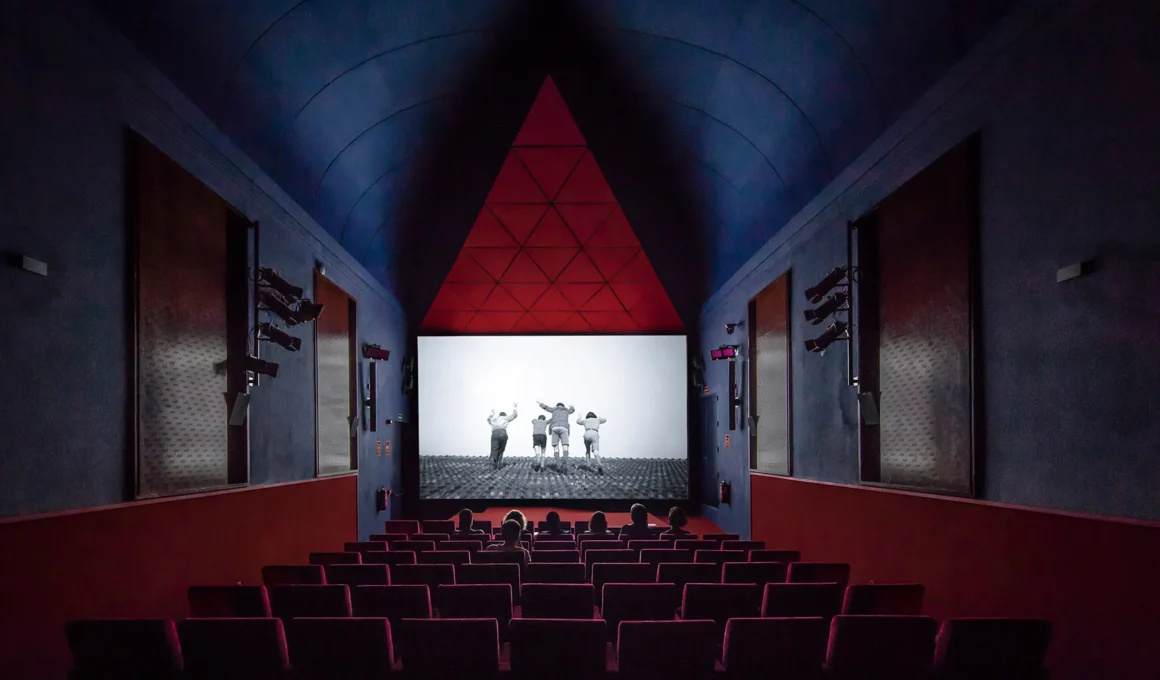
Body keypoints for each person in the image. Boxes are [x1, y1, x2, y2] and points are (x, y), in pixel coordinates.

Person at [538, 401, 575, 471]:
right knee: (565, 445)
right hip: (564, 428)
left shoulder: (554, 409)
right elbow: (572, 411)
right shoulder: (566, 410)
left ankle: (558, 464)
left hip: (554, 427)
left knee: (556, 446)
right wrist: (572, 407)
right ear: (563, 406)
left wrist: (540, 403)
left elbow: (545, 407)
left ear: (557, 406)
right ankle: (565, 462)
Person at [487, 403, 518, 470]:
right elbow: (514, 415)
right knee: (501, 450)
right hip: (503, 433)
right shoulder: (506, 418)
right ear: (504, 415)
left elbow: (488, 419)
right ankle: (498, 465)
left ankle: (492, 464)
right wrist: (514, 407)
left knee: (494, 449)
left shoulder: (494, 419)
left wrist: (492, 413)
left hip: (495, 433)